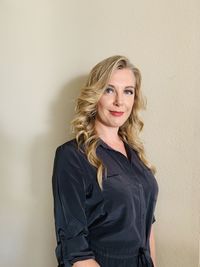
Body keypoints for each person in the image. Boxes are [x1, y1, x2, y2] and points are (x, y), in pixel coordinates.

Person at [52, 55, 159, 267]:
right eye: (109, 90)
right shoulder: (72, 156)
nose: (119, 101)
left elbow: (148, 227)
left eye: (128, 91)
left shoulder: (135, 154)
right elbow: (74, 249)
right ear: (95, 95)